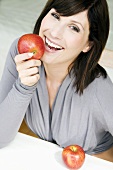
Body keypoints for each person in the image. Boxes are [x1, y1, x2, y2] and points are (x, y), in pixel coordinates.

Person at [0, 0, 113, 162]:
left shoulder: (100, 90)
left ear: (88, 44)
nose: (55, 33)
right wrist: (23, 87)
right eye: (55, 16)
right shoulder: (21, 53)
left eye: (73, 27)